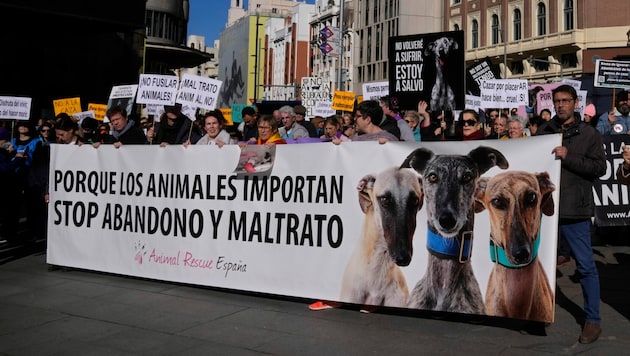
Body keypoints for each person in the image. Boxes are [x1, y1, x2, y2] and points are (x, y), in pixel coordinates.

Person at [537, 84, 605, 344]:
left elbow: (599, 167)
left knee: (586, 266)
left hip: (575, 210)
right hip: (547, 211)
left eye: (566, 100)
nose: (561, 105)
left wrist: (569, 157)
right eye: (557, 101)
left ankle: (592, 320)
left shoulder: (589, 134)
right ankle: (539, 311)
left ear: (575, 103)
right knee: (540, 265)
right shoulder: (544, 131)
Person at [332, 100, 398, 144]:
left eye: (358, 116)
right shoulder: (356, 137)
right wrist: (341, 146)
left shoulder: (389, 139)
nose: (354, 119)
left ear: (367, 119)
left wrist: (389, 147)